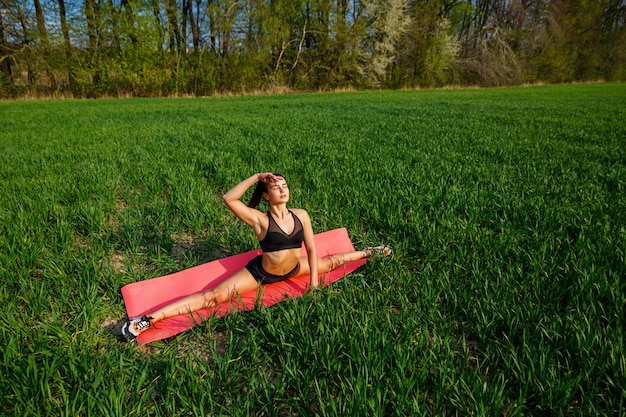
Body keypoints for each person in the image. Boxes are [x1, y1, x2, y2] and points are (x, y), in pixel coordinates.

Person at [121, 172, 391, 341]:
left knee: (331, 262)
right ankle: (146, 320)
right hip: (262, 274)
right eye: (276, 187)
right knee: (212, 297)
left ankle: (371, 251)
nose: (283, 189)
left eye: (285, 185)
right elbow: (229, 198)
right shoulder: (260, 219)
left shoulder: (302, 215)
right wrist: (256, 177)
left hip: (296, 269)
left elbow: (311, 247)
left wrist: (315, 284)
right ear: (266, 195)